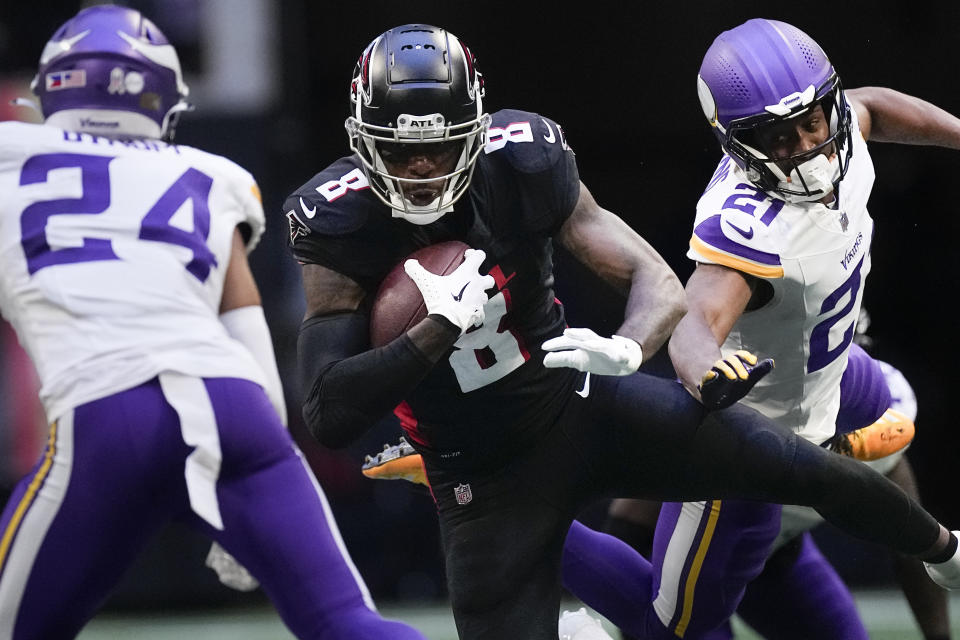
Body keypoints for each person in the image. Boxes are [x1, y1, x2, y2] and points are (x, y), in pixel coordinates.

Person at [286, 23, 960, 640]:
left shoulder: (525, 158)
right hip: (485, 468)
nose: (425, 171)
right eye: (405, 153)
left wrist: (632, 345)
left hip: (608, 395)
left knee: (838, 462)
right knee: (680, 622)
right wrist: (433, 331)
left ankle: (948, 558)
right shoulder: (335, 221)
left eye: (440, 148)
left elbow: (658, 282)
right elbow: (329, 414)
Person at [0, 7, 428, 639]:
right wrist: (262, 473)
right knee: (344, 622)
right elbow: (246, 327)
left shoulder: (12, 155)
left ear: (54, 87)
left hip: (107, 409)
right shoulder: (206, 174)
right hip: (235, 408)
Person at [561, 18, 960, 640]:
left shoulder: (838, 130)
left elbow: (873, 107)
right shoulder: (748, 226)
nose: (806, 146)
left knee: (894, 444)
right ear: (737, 143)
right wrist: (706, 373)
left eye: (811, 123)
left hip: (832, 370)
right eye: (777, 137)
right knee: (676, 628)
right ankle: (533, 522)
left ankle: (941, 605)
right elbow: (693, 320)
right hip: (757, 421)